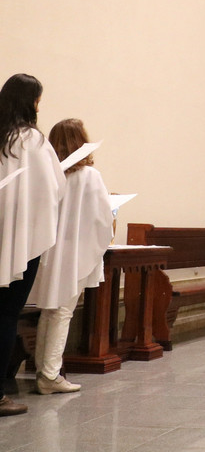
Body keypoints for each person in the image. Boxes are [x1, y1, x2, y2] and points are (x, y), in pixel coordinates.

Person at [29, 119, 113, 395]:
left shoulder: (50, 174)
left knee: (49, 311)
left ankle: (43, 369)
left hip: (48, 253)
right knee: (62, 312)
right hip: (76, 253)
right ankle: (50, 375)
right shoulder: (90, 176)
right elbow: (102, 217)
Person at [0, 74, 63, 417]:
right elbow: (53, 189)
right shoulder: (33, 140)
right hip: (21, 243)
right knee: (7, 315)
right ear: (30, 102)